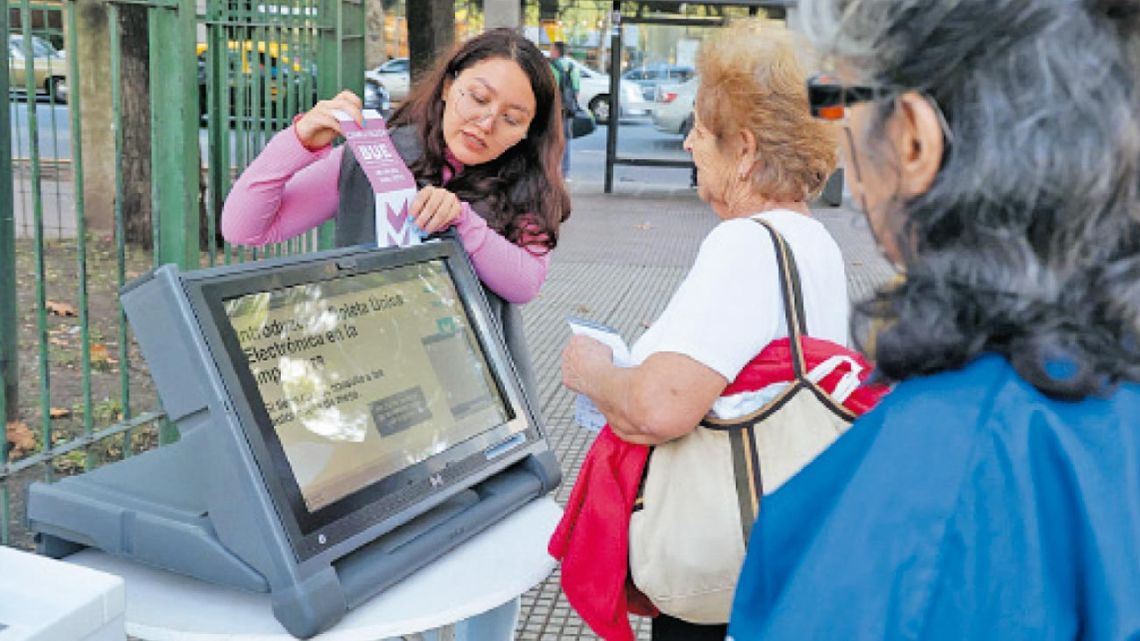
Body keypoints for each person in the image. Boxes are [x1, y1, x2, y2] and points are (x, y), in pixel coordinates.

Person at [727, 0, 1140, 639]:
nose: (837, 142)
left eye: (835, 102)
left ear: (912, 138)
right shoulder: (1107, 364)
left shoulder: (945, 490)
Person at [559, 21, 844, 641]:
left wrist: (593, 370)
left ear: (743, 151)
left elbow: (657, 409)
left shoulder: (743, 243)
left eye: (698, 128)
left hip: (723, 573)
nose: (688, 143)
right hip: (788, 555)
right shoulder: (814, 241)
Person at [221, 28, 570, 402]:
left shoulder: (528, 187)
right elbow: (244, 228)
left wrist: (464, 223)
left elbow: (525, 282)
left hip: (472, 397)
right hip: (368, 379)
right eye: (479, 98)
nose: (486, 123)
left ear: (528, 132)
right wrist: (300, 140)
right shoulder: (378, 154)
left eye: (512, 119)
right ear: (449, 86)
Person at [548, 40, 579, 178]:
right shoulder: (573, 66)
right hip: (568, 109)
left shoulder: (551, 66)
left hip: (554, 109)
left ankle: (551, 170)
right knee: (565, 139)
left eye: (551, 49)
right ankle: (564, 172)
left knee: (550, 139)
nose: (550, 52)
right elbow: (576, 90)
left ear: (556, 51)